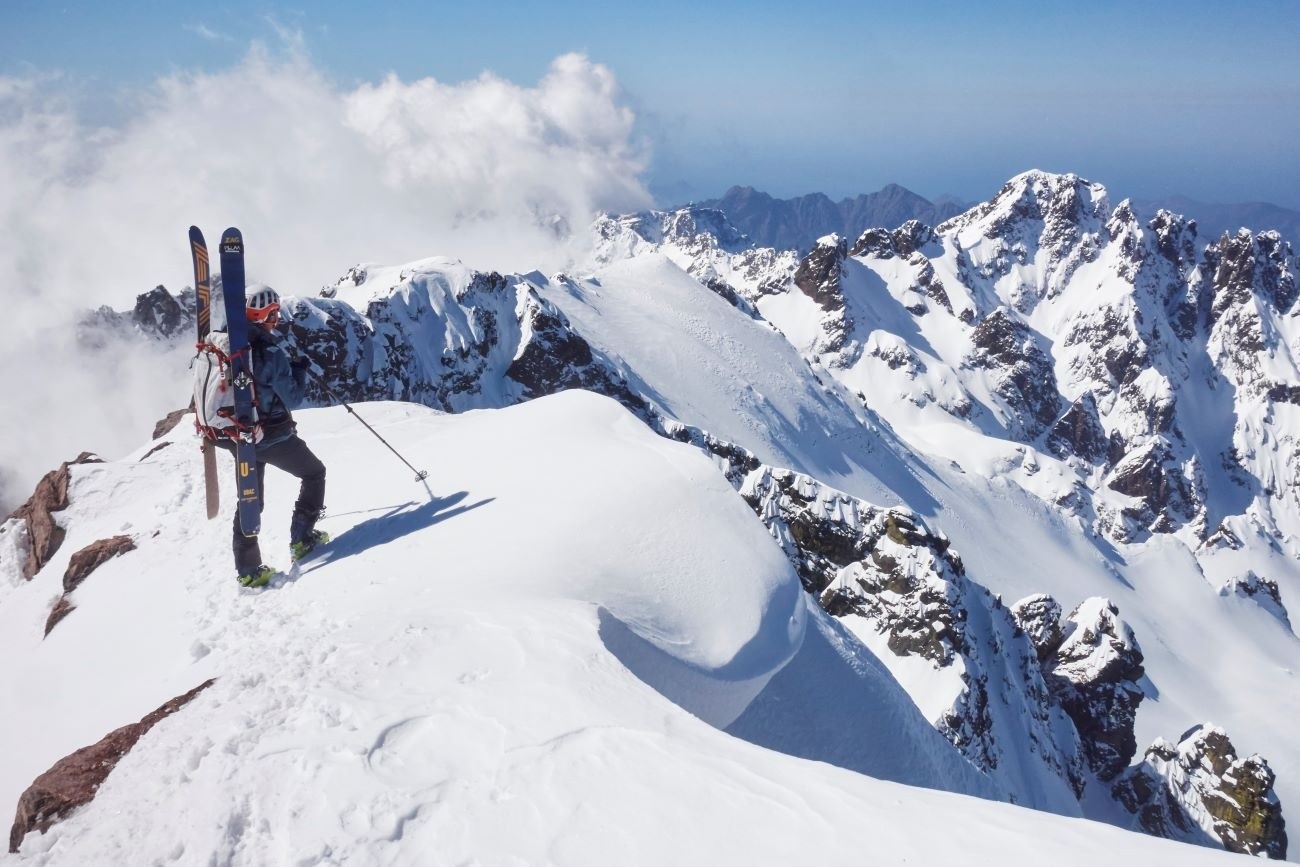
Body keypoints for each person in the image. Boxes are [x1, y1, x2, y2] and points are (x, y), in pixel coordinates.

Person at [222, 284, 329, 587]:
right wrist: (299, 370)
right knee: (314, 473)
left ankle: (248, 570)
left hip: (237, 435)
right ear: (259, 315)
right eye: (272, 314)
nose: (276, 320)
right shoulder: (269, 353)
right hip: (271, 437)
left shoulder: (222, 342)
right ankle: (302, 538)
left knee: (250, 499)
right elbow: (293, 398)